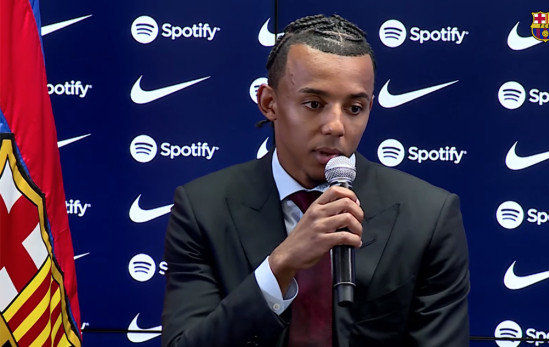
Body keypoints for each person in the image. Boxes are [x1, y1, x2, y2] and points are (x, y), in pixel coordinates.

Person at [161, 14, 469, 347]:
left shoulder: (429, 216)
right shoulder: (202, 209)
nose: (336, 126)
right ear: (269, 102)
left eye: (354, 108)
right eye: (314, 104)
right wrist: (281, 265)